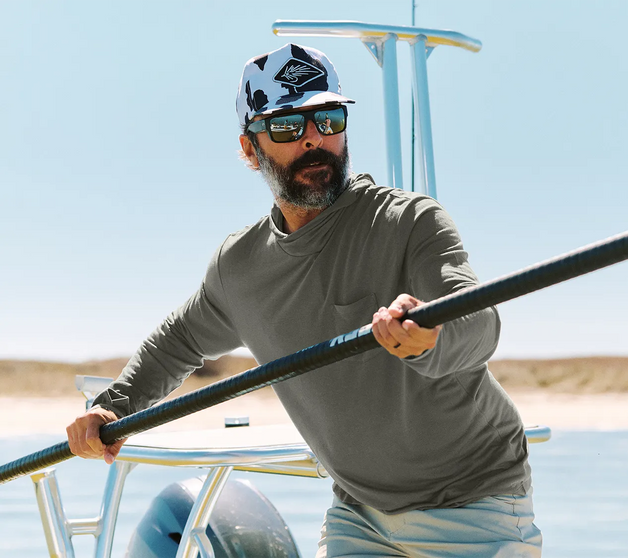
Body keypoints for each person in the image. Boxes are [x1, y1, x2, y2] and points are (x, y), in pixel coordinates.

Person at [65, 43, 542, 557]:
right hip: (358, 515)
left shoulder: (411, 221)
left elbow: (477, 319)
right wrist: (112, 407)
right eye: (289, 126)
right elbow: (177, 342)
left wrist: (430, 336)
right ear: (250, 150)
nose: (315, 139)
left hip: (473, 506)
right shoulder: (239, 267)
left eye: (328, 119)